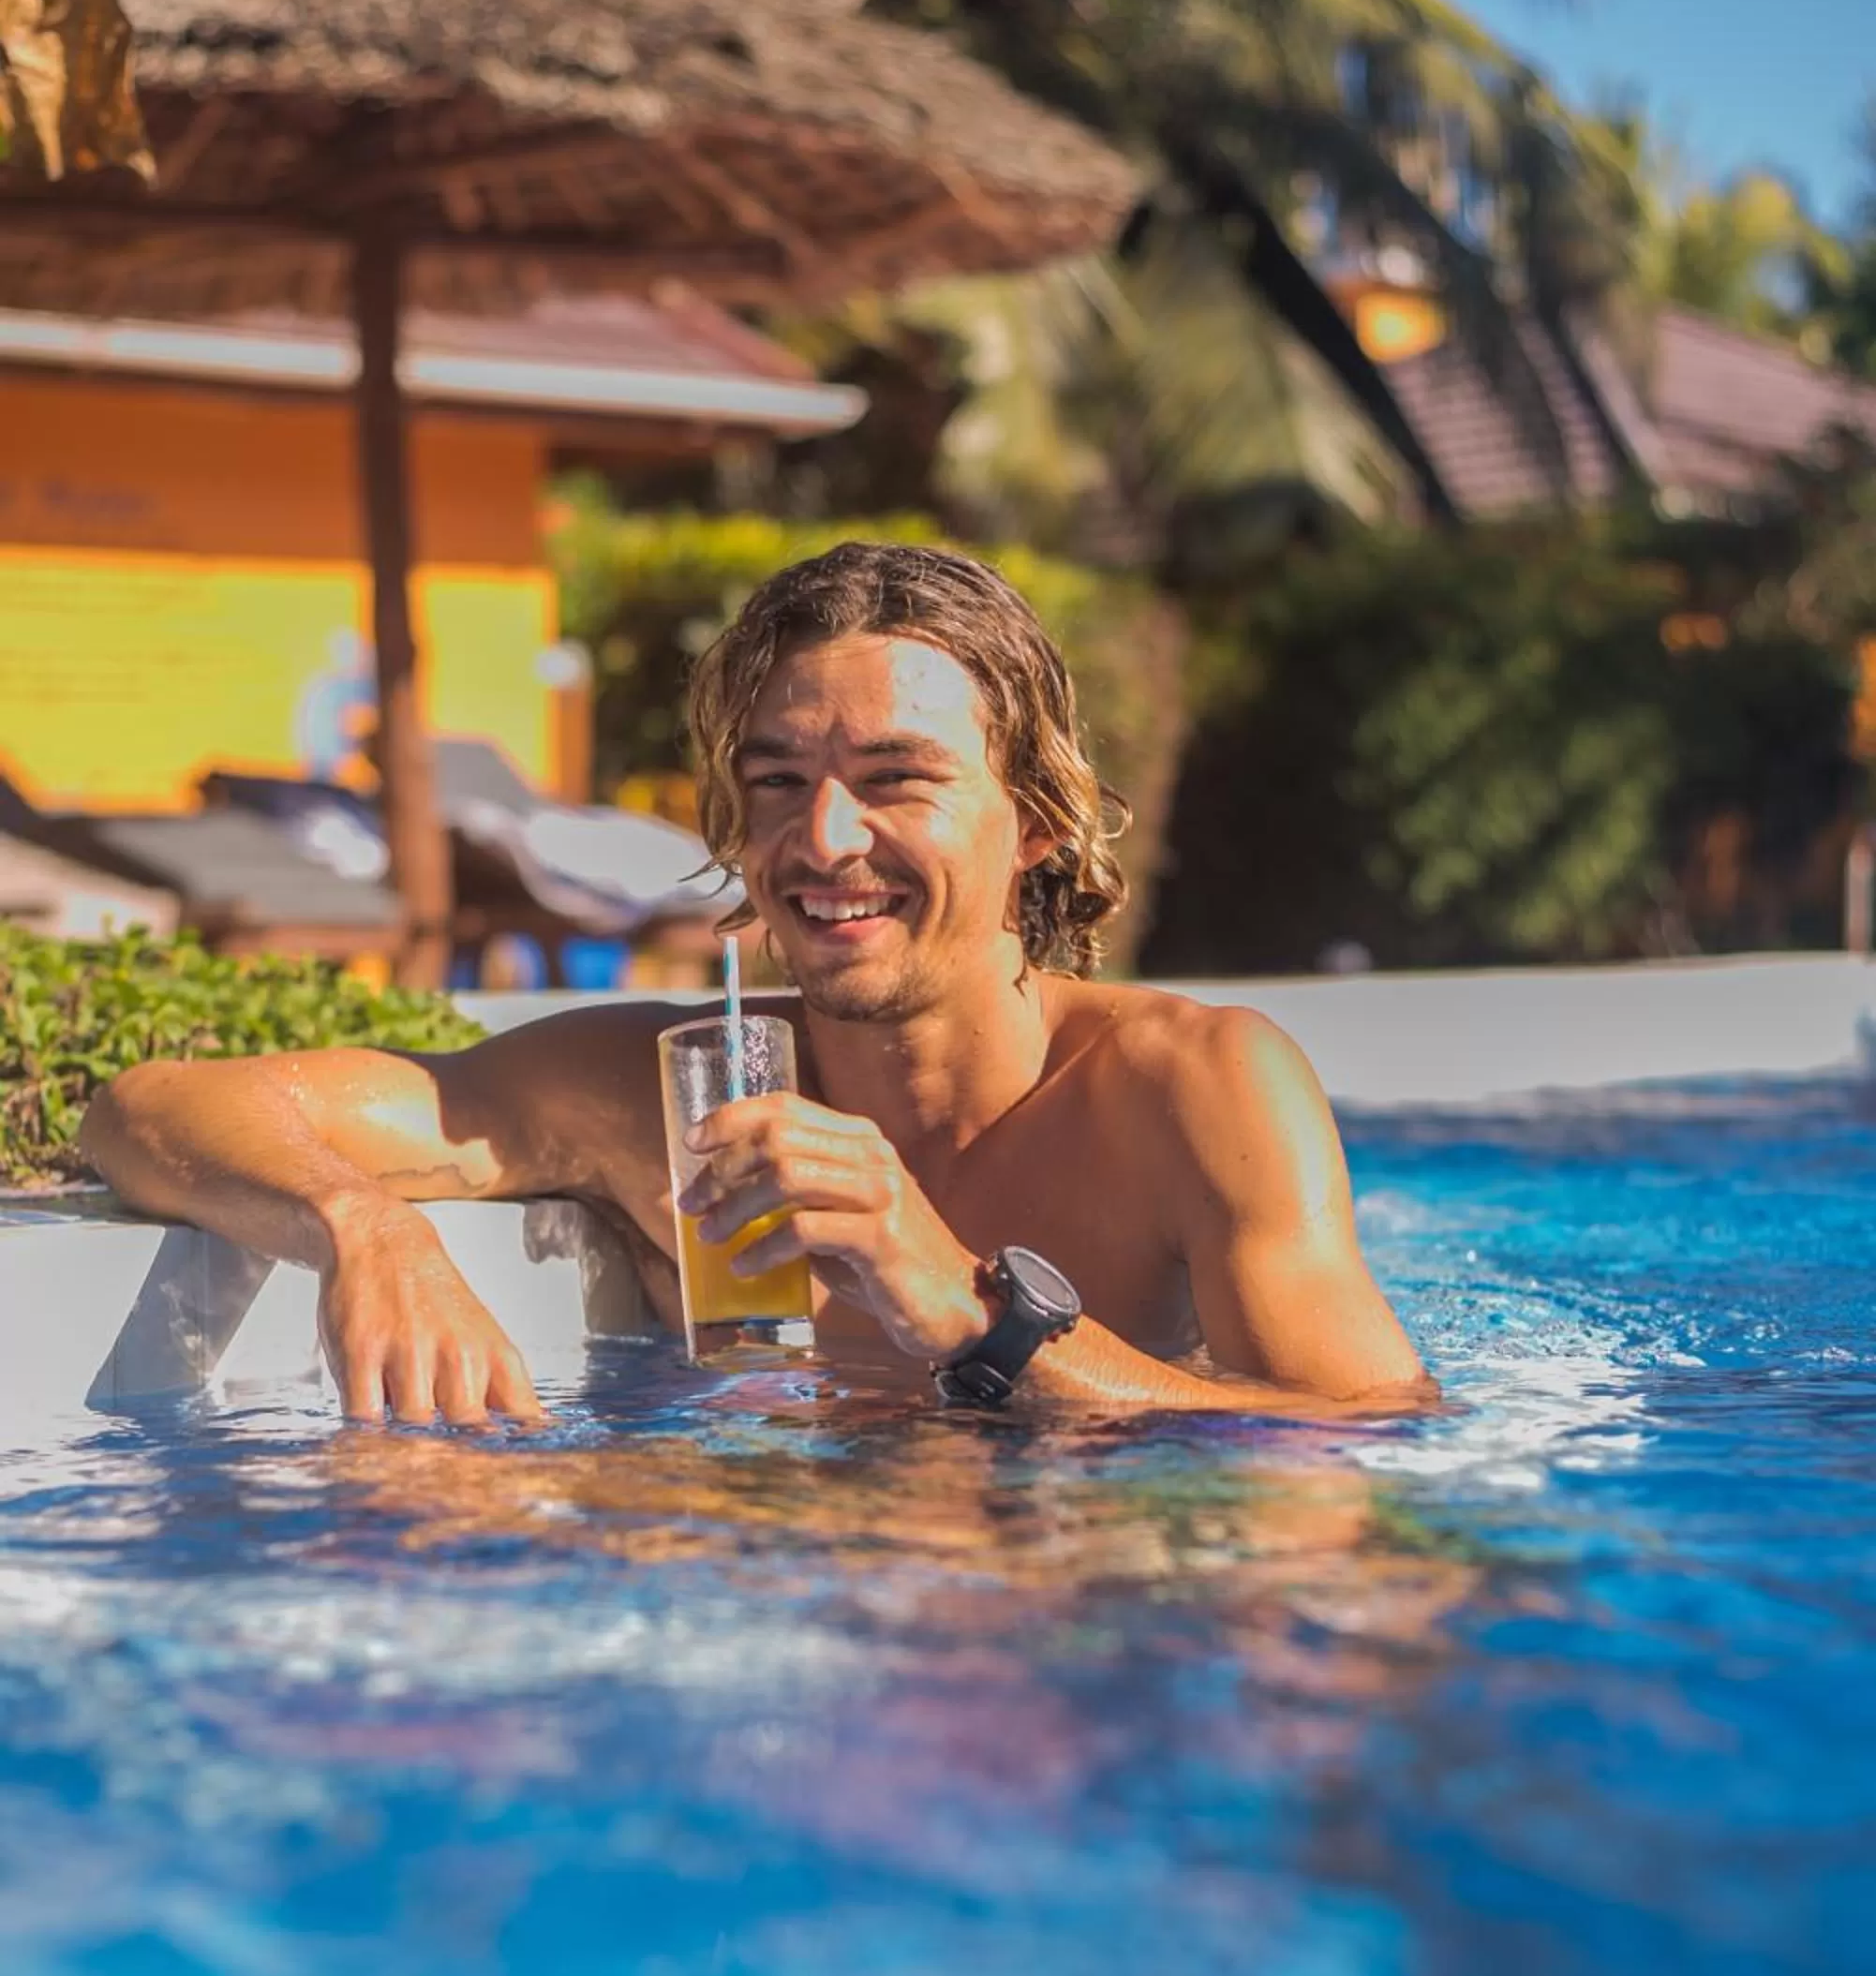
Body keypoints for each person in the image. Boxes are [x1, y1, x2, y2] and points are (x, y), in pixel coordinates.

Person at [82, 542, 1431, 1426]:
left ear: (1034, 823)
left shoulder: (1191, 1087)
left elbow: (1370, 1434)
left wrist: (968, 1308)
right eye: (778, 784)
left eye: (895, 779)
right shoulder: (652, 1090)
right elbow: (144, 1111)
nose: (823, 841)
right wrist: (365, 1232)